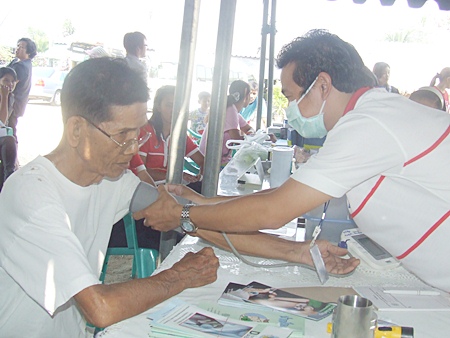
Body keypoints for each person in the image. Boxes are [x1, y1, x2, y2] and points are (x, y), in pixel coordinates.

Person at [138, 29, 450, 293]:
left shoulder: (368, 125)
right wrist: (201, 205)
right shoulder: (371, 117)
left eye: (290, 96)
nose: (289, 108)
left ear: (323, 85)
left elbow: (273, 211)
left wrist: (183, 214)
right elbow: (279, 196)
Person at [0, 58, 220, 337]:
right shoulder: (32, 195)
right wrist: (182, 275)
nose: (131, 150)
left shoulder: (107, 177)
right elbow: (100, 307)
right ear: (77, 130)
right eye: (121, 136)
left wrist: (285, 249)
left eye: (137, 134)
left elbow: (180, 213)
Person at [139, 85, 204, 190]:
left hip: (172, 188)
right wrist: (178, 177)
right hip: (149, 189)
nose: (174, 110)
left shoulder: (180, 136)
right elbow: (141, 170)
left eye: (178, 106)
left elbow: (202, 161)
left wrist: (200, 177)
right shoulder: (145, 131)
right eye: (169, 105)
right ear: (158, 107)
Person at [199, 80, 255, 167]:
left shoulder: (233, 112)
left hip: (214, 159)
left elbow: (248, 129)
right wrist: (252, 140)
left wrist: (251, 133)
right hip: (213, 163)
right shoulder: (230, 109)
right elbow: (236, 139)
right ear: (246, 95)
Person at [7, 37, 37, 138]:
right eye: (18, 46)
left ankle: (10, 152)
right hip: (12, 104)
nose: (18, 48)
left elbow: (10, 84)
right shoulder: (17, 62)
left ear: (29, 52)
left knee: (9, 130)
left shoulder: (22, 66)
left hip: (12, 105)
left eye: (22, 47)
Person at [0, 67, 18, 190]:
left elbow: (7, 125)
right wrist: (4, 97)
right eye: (6, 80)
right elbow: (2, 121)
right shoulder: (5, 96)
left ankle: (8, 181)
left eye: (12, 81)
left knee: (10, 140)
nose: (10, 84)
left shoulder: (10, 98)